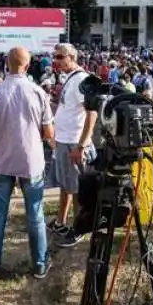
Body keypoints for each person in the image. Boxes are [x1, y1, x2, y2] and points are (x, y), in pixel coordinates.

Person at [0, 47, 55, 281]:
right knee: (36, 215)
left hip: (1, 161)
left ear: (6, 65)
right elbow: (49, 131)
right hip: (31, 161)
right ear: (28, 66)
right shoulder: (38, 92)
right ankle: (40, 265)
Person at [47, 43, 98, 247]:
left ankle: (79, 228)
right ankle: (61, 221)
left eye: (60, 57)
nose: (56, 60)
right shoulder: (70, 77)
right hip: (64, 140)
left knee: (77, 189)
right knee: (66, 186)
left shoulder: (82, 79)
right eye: (55, 56)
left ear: (72, 57)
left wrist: (82, 144)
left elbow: (92, 113)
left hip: (73, 143)